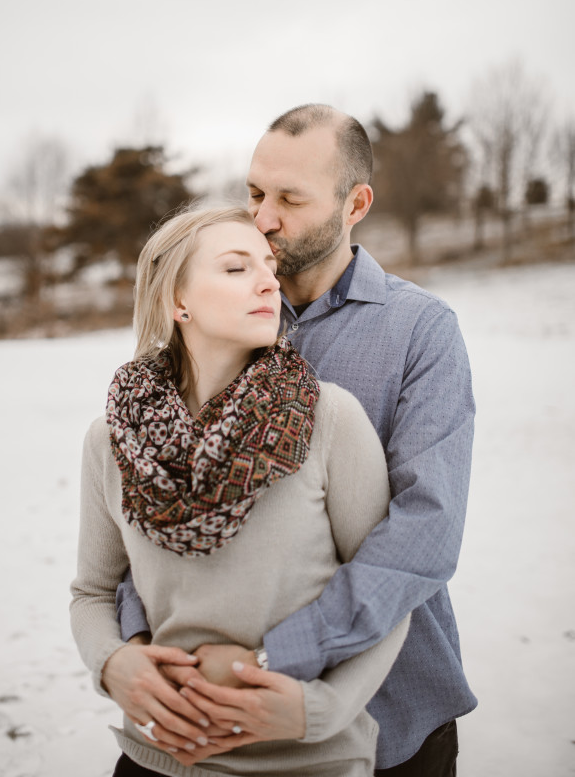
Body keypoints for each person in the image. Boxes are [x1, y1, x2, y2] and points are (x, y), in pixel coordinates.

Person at [116, 105, 477, 775]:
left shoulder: (419, 332)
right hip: (196, 714)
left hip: (387, 716)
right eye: (254, 194)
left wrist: (274, 662)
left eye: (289, 199)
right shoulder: (220, 307)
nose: (262, 219)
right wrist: (138, 642)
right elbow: (156, 487)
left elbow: (424, 532)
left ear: (355, 203)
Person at [70, 203, 409, 777]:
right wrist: (111, 663)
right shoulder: (112, 440)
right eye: (235, 268)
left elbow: (386, 591)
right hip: (158, 756)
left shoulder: (328, 419)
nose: (267, 281)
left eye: (268, 268)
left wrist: (320, 710)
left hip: (306, 761)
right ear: (177, 302)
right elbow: (94, 593)